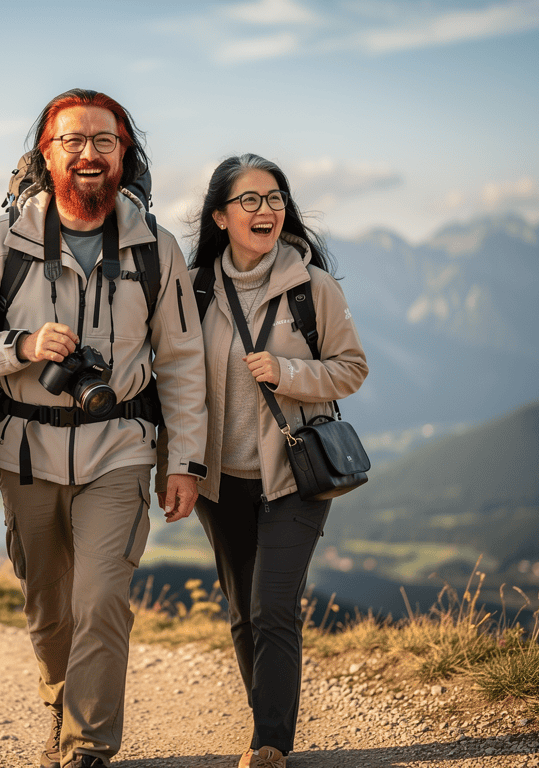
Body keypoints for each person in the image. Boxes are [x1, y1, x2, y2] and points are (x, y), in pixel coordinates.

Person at [0, 89, 208, 768]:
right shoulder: (1, 242)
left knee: (101, 599)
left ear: (125, 153)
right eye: (73, 141)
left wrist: (186, 463)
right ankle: (62, 701)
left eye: (104, 141)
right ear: (46, 152)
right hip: (25, 453)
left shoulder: (157, 249)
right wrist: (22, 348)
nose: (89, 154)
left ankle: (88, 746)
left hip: (119, 449)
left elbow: (180, 361)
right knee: (49, 607)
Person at [188, 154, 368, 768]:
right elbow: (177, 381)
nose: (266, 210)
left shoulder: (314, 286)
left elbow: (352, 369)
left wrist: (287, 372)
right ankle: (263, 724)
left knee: (271, 606)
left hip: (295, 473)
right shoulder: (195, 290)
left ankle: (270, 745)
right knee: (243, 613)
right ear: (220, 216)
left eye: (275, 199)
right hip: (222, 480)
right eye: (251, 201)